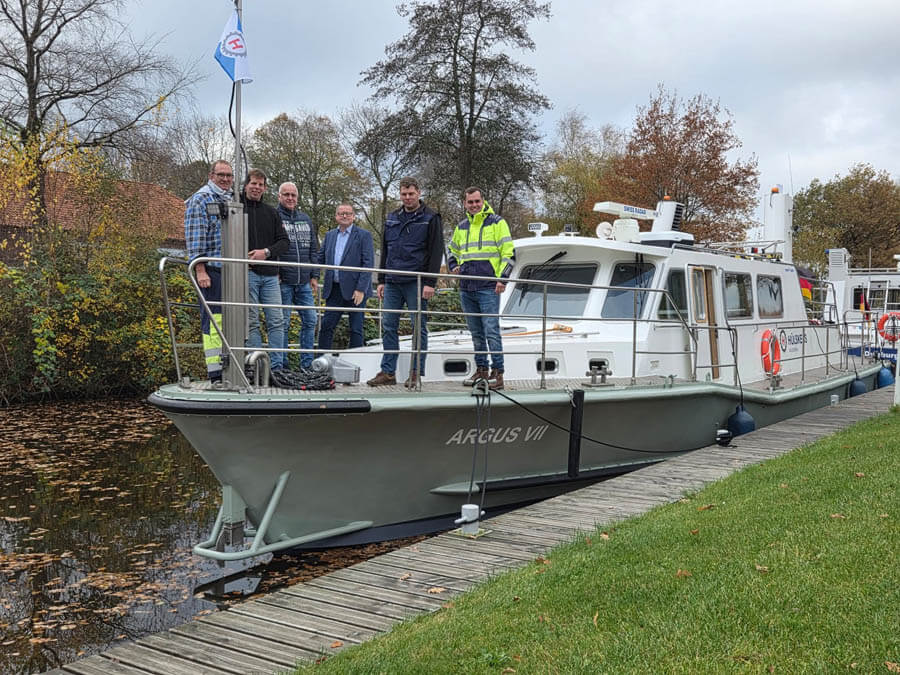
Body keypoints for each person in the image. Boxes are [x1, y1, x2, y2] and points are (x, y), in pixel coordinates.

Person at [366, 177, 443, 388]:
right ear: (400, 194)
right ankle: (388, 372)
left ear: (418, 192)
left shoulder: (430, 217)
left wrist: (430, 282)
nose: (407, 197)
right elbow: (386, 248)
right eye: (403, 194)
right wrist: (381, 279)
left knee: (419, 327)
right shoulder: (392, 217)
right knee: (388, 326)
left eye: (411, 193)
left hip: (416, 281)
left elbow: (436, 251)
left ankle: (416, 372)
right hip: (392, 281)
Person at [448, 186, 515, 390]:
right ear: (465, 203)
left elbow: (509, 253)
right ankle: (481, 370)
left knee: (491, 330)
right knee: (476, 332)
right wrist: (453, 265)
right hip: (467, 286)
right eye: (470, 202)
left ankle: (498, 373)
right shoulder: (461, 227)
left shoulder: (497, 222)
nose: (474, 205)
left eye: (477, 201)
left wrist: (502, 279)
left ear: (483, 201)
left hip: (488, 286)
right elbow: (452, 250)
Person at [184, 160, 233, 382]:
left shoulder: (231, 199)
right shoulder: (201, 199)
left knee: (233, 319)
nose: (225, 179)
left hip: (232, 272)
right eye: (221, 175)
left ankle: (232, 368)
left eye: (229, 175)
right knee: (214, 322)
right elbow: (195, 239)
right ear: (211, 175)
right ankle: (215, 373)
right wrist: (200, 270)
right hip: (211, 271)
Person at [242, 168, 289, 371]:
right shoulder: (235, 208)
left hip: (270, 276)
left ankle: (276, 367)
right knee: (251, 321)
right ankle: (258, 367)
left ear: (265, 188)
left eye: (261, 185)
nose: (257, 187)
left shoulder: (271, 213)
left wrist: (266, 252)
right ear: (246, 185)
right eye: (253, 183)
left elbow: (284, 242)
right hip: (247, 274)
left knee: (276, 321)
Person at [316, 204, 375, 352]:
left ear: (354, 216)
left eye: (348, 213)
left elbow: (368, 263)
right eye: (341, 213)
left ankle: (355, 364)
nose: (344, 216)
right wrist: (312, 274)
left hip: (356, 291)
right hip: (334, 290)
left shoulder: (364, 235)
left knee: (356, 329)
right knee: (327, 327)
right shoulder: (329, 236)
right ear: (336, 216)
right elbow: (319, 258)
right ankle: (323, 363)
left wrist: (361, 289)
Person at [276, 182, 319, 369]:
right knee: (283, 323)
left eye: (293, 195)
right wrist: (276, 272)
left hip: (304, 282)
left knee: (311, 320)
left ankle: (306, 365)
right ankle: (283, 365)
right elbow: (272, 246)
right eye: (286, 194)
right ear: (279, 196)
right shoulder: (274, 217)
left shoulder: (305, 218)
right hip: (283, 280)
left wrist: (314, 275)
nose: (290, 198)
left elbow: (314, 249)